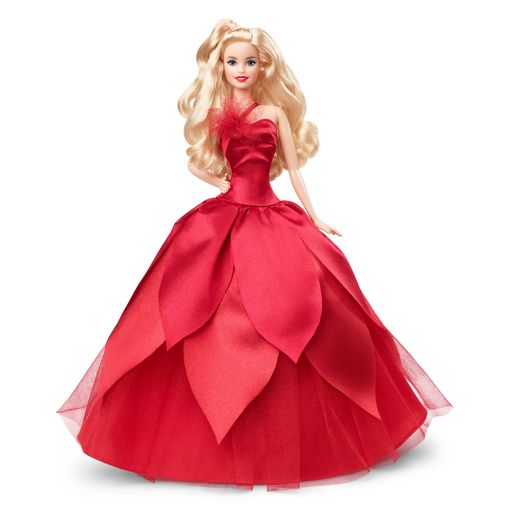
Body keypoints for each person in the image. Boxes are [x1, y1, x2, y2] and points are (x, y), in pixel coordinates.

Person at [57, 18, 453, 492]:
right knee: (196, 302)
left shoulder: (274, 112)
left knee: (303, 300)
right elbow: (194, 161)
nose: (241, 69)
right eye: (232, 62)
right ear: (220, 67)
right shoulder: (216, 112)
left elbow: (295, 171)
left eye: (249, 61)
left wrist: (315, 216)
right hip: (225, 216)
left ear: (263, 66)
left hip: (270, 212)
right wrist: (219, 181)